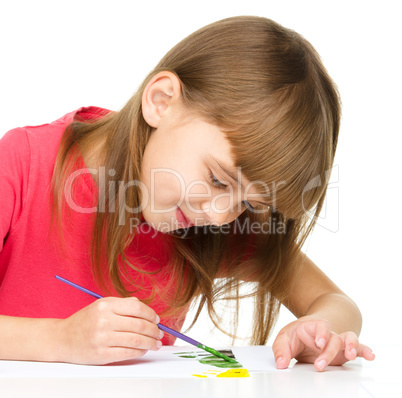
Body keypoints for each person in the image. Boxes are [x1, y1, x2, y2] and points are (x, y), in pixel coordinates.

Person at [0, 15, 375, 371]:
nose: (217, 215)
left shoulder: (216, 224)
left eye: (247, 202)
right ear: (161, 101)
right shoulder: (23, 163)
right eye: (216, 179)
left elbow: (338, 303)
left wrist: (321, 330)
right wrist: (61, 339)